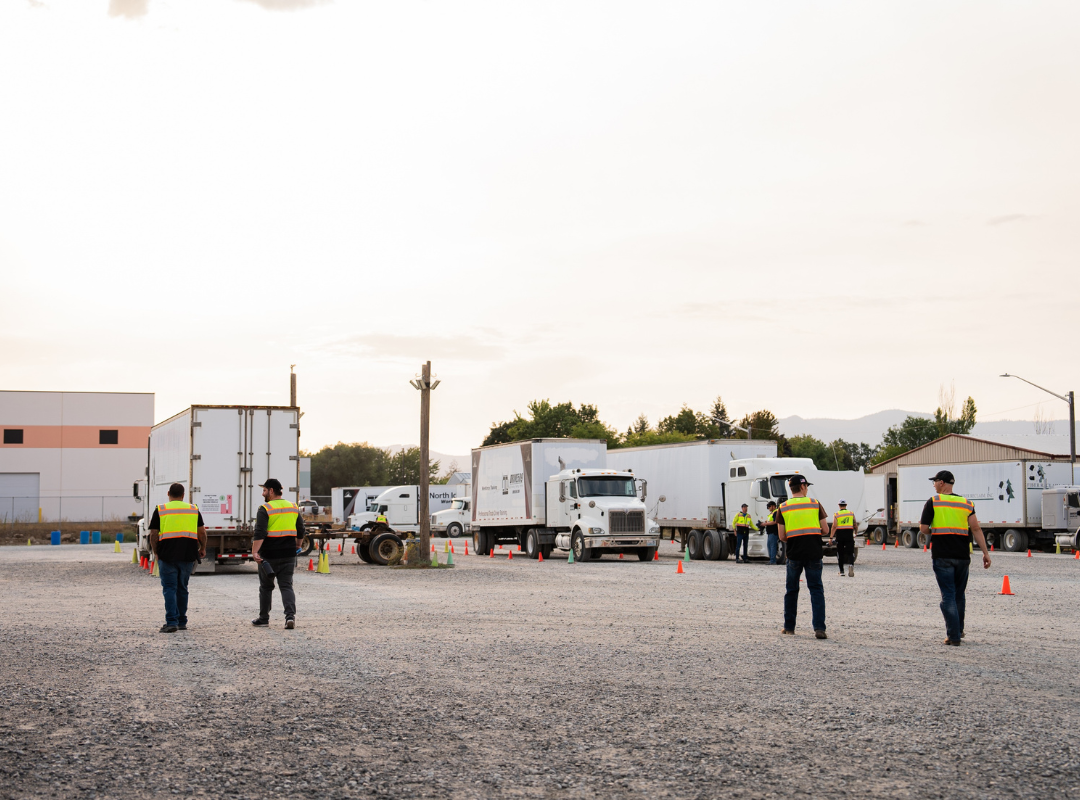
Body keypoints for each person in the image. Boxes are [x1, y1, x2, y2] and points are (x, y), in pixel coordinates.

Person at [918, 470, 991, 646]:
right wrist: (985, 553)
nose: (934, 485)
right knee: (959, 594)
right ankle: (958, 629)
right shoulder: (966, 503)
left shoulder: (933, 502)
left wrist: (935, 531)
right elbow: (976, 529)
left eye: (935, 481)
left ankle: (953, 635)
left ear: (942, 483)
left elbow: (923, 528)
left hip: (942, 555)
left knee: (948, 595)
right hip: (962, 556)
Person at [148, 483, 206, 633]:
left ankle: (171, 622)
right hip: (187, 555)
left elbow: (153, 534)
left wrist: (156, 552)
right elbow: (202, 533)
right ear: (183, 495)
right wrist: (203, 548)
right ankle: (182, 621)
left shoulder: (160, 510)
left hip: (167, 555)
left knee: (169, 589)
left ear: (168, 493)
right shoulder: (193, 509)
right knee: (182, 588)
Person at [777, 475, 829, 639]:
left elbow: (782, 536)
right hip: (814, 552)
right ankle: (819, 628)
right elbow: (826, 530)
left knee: (791, 590)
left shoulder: (783, 507)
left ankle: (789, 627)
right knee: (816, 590)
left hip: (794, 554)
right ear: (803, 487)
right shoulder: (815, 504)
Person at [251, 478, 304, 629]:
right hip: (288, 554)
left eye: (264, 490)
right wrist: (298, 544)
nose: (263, 493)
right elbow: (301, 529)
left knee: (266, 587)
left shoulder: (265, 508)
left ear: (271, 491)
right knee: (286, 586)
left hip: (268, 555)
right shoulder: (293, 507)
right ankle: (289, 617)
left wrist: (255, 551)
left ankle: (263, 618)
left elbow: (260, 532)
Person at [829, 500, 857, 577]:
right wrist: (856, 532)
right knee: (850, 552)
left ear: (839, 505)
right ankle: (851, 565)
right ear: (846, 505)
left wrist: (831, 538)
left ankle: (841, 571)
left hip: (840, 536)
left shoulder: (836, 514)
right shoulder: (851, 513)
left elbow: (834, 526)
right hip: (849, 535)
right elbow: (855, 524)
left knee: (840, 553)